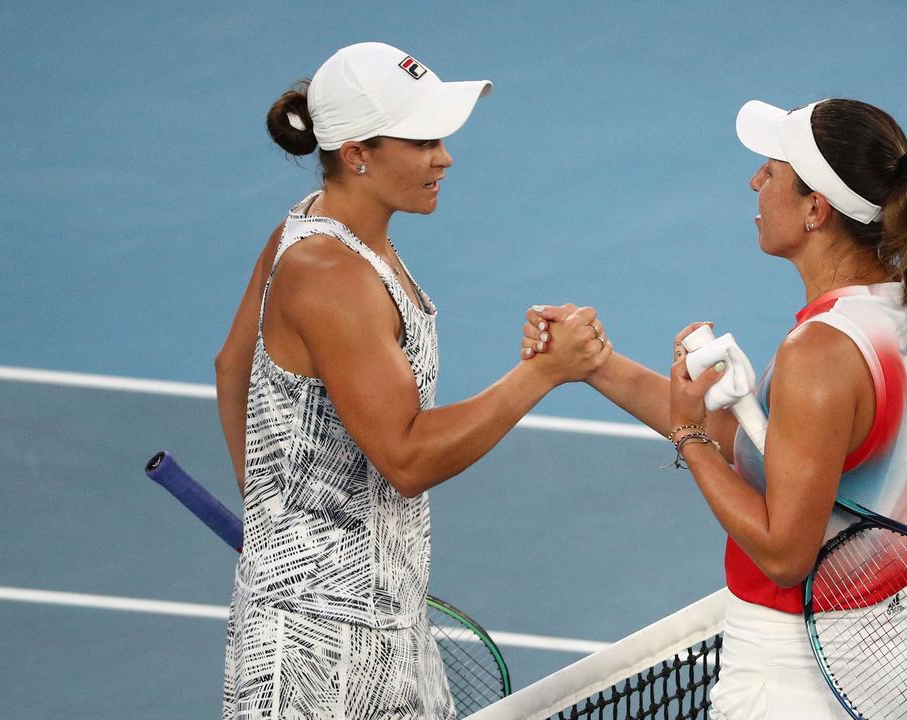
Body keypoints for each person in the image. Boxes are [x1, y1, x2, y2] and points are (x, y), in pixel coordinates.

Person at [524, 98, 907, 717]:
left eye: (773, 171)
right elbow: (782, 454)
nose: (755, 180)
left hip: (802, 673)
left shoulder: (820, 353)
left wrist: (687, 436)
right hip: (903, 648)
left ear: (816, 209)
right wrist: (596, 365)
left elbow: (785, 556)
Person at [213, 42, 611, 720]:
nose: (444, 157)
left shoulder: (317, 228)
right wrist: (543, 373)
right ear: (357, 153)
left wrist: (276, 522)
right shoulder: (329, 274)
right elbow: (406, 456)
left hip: (387, 624)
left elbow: (232, 366)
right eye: (422, 140)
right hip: (319, 651)